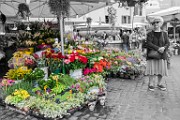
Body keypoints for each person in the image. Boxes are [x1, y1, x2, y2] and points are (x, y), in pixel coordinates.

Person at [145, 16, 170, 91]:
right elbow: (149, 43)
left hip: (162, 55)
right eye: (154, 22)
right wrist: (158, 48)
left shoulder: (164, 33)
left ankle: (159, 83)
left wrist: (164, 48)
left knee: (161, 70)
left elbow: (168, 43)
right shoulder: (150, 34)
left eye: (157, 22)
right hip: (152, 55)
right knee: (152, 70)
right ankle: (151, 84)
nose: (155, 24)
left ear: (161, 23)